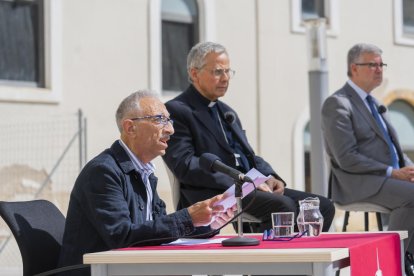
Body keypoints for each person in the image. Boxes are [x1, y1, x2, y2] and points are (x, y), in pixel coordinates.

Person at [162, 41, 335, 233]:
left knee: (322, 206)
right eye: (218, 72)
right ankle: (272, 261)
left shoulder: (227, 112)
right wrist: (240, 181)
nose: (225, 78)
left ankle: (307, 257)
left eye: (228, 72)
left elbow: (248, 155)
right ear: (194, 73)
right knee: (283, 207)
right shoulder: (177, 110)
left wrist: (270, 176)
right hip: (214, 192)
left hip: (249, 187)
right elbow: (185, 165)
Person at [58, 91, 235, 276]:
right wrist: (189, 217)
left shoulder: (144, 172)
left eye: (169, 120)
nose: (170, 130)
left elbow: (159, 232)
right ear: (130, 128)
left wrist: (209, 223)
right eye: (159, 119)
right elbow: (121, 237)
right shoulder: (103, 172)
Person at [321, 43, 414, 275]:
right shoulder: (338, 104)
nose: (379, 69)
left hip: (388, 180)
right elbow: (346, 158)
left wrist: (409, 169)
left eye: (381, 64)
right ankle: (395, 263)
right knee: (412, 197)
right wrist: (392, 172)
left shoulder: (377, 104)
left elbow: (397, 152)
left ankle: (408, 259)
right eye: (372, 64)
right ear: (354, 68)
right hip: (357, 183)